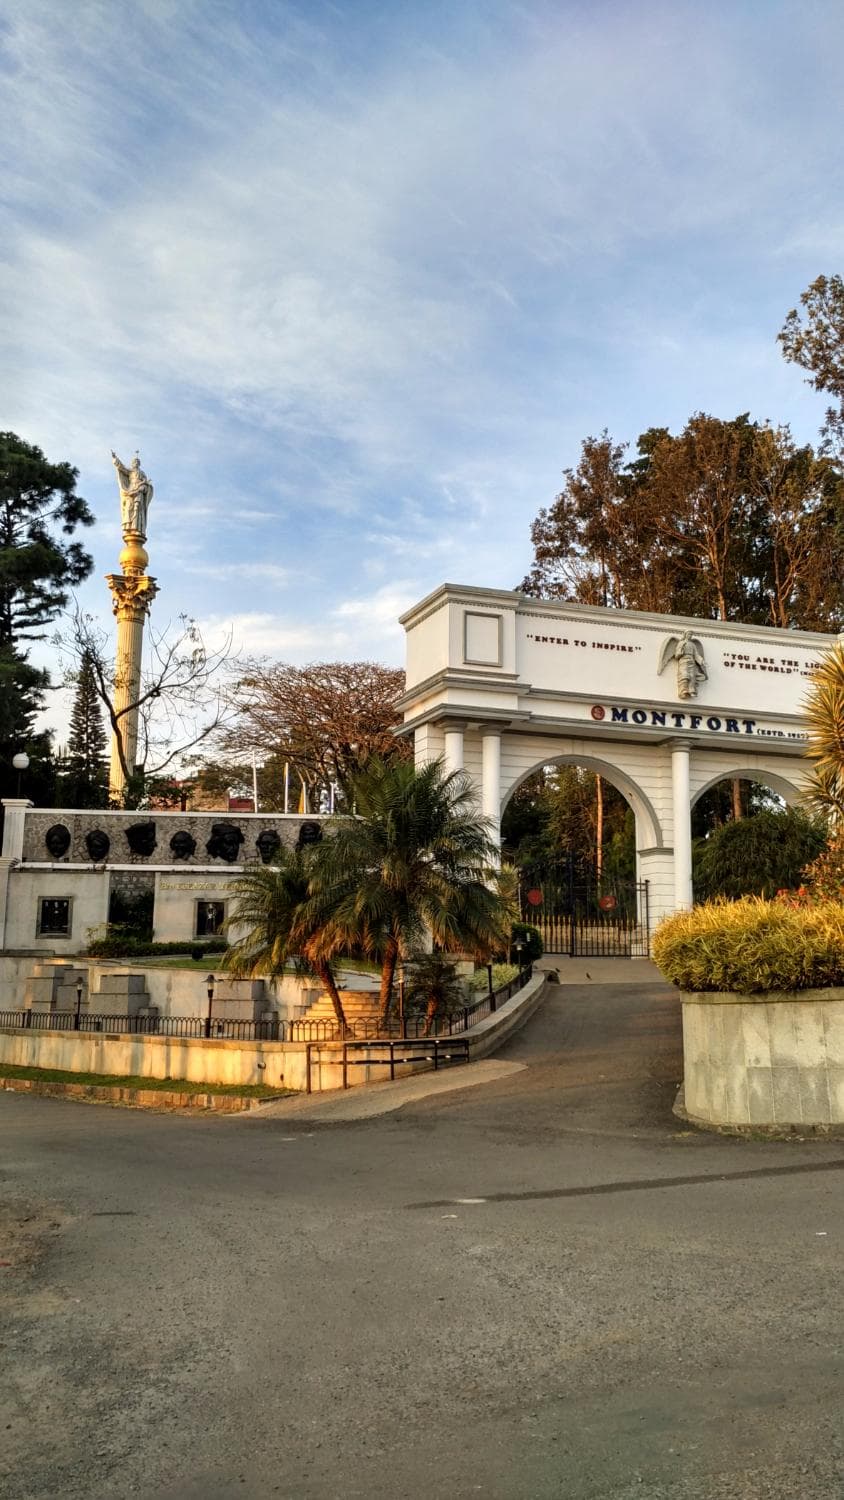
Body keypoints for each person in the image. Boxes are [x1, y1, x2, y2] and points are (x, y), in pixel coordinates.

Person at [112, 450, 154, 536]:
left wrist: (143, 488)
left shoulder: (142, 473)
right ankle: (128, 527)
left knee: (137, 509)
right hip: (130, 491)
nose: (136, 463)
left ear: (139, 464)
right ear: (132, 463)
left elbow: (146, 485)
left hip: (139, 492)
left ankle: (137, 528)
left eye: (137, 462)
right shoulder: (130, 471)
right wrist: (115, 459)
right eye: (134, 462)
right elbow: (121, 467)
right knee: (128, 508)